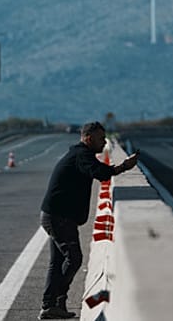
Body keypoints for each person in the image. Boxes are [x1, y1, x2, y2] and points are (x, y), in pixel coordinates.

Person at [38, 121, 138, 320]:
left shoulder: (80, 154)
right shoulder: (81, 155)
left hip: (56, 215)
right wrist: (124, 167)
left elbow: (96, 169)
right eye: (101, 138)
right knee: (73, 259)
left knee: (57, 262)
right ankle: (53, 301)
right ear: (88, 138)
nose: (104, 142)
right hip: (59, 217)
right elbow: (100, 173)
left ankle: (52, 306)